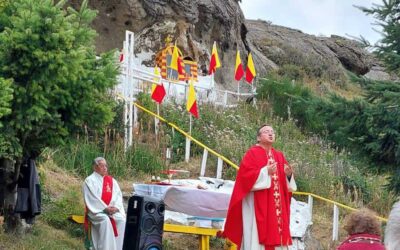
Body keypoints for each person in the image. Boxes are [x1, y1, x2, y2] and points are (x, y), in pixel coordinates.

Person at [223, 124, 297, 250]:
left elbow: (287, 186)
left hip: (276, 208)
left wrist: (288, 176)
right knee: (256, 239)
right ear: (258, 137)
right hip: (258, 203)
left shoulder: (279, 155)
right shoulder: (252, 153)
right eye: (266, 131)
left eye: (272, 132)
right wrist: (264, 172)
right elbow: (244, 178)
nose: (270, 134)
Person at [83, 157, 126, 250]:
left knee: (122, 220)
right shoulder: (89, 180)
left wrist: (116, 208)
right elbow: (92, 198)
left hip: (111, 211)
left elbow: (118, 196)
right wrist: (105, 208)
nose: (105, 168)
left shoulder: (112, 181)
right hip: (97, 211)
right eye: (102, 165)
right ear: (95, 167)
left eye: (106, 165)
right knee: (105, 220)